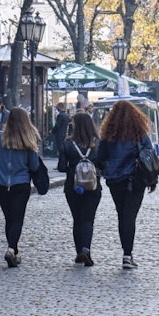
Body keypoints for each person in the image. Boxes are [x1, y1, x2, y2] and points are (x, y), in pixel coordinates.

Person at [96, 100, 156, 269]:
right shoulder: (139, 132)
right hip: (135, 179)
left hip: (115, 179)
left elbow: (101, 157)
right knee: (130, 216)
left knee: (122, 215)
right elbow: (149, 154)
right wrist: (152, 179)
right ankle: (127, 255)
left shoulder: (109, 135)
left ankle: (126, 253)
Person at [0, 107, 47, 267]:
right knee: (17, 219)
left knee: (9, 218)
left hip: (1, 184)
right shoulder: (29, 139)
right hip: (20, 184)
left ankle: (13, 250)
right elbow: (34, 166)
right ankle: (12, 248)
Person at [56, 112, 103, 267]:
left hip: (73, 187)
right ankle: (86, 249)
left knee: (77, 219)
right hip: (93, 187)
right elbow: (104, 164)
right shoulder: (97, 143)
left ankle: (78, 253)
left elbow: (61, 167)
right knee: (88, 219)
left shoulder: (67, 144)